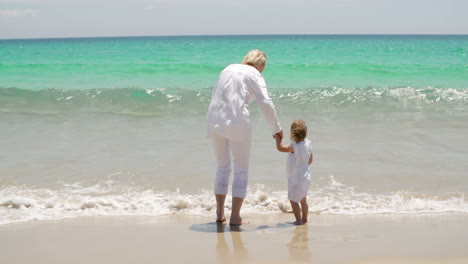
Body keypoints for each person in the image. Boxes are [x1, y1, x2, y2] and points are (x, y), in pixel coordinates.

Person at [207, 49, 283, 226]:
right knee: (241, 170)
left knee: (222, 167)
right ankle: (235, 217)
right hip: (237, 121)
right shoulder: (255, 74)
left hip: (213, 118)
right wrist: (276, 128)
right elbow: (265, 102)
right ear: (260, 65)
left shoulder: (227, 68)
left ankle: (219, 213)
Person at [274, 119, 313, 225]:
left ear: (293, 133)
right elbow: (310, 160)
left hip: (296, 178)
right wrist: (303, 166)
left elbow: (280, 148)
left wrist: (278, 138)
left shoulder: (294, 147)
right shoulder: (308, 144)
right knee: (303, 200)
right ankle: (305, 219)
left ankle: (298, 220)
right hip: (306, 176)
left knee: (293, 200)